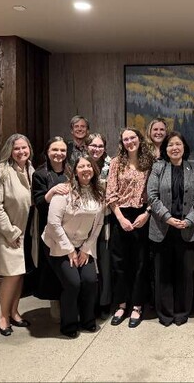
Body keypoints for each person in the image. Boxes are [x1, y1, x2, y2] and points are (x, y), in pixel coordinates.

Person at [42, 155, 105, 338]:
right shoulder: (64, 192)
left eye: (89, 166)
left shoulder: (99, 193)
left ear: (93, 170)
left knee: (90, 281)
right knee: (73, 283)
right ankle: (69, 324)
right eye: (81, 166)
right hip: (58, 243)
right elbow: (53, 223)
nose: (86, 169)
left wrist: (85, 249)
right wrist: (69, 250)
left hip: (83, 245)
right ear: (75, 171)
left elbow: (98, 224)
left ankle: (87, 320)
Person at [147, 132, 194, 326]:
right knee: (163, 273)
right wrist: (168, 218)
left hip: (187, 228)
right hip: (163, 228)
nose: (174, 148)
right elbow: (152, 196)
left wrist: (189, 220)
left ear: (184, 147)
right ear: (165, 149)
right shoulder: (158, 167)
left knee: (185, 273)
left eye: (178, 144)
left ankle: (182, 312)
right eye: (170, 144)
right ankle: (165, 313)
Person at [105, 128, 155, 328]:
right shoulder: (116, 163)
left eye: (132, 137)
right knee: (120, 263)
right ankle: (121, 304)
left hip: (142, 216)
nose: (129, 142)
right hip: (121, 215)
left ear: (139, 139)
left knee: (140, 263)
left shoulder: (149, 162)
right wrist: (120, 218)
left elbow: (154, 192)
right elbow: (110, 193)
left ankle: (137, 305)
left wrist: (147, 213)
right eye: (125, 139)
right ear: (122, 143)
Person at [0, 134, 35, 336]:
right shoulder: (0, 173)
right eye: (17, 148)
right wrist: (11, 232)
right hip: (9, 233)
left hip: (27, 231)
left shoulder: (31, 169)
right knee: (11, 275)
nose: (21, 152)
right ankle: (3, 317)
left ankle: (14, 312)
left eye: (24, 147)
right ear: (9, 150)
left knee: (20, 273)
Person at [32, 137, 69, 320]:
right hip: (49, 227)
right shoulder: (39, 174)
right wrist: (52, 191)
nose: (59, 154)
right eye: (55, 150)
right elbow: (39, 202)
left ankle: (70, 304)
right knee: (53, 267)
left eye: (62, 150)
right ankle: (55, 304)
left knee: (69, 267)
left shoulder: (71, 171)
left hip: (70, 226)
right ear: (47, 151)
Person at [85, 133, 112, 316]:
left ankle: (104, 303)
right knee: (88, 262)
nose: (97, 149)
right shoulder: (82, 164)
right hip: (85, 219)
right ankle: (89, 303)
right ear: (87, 147)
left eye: (100, 146)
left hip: (106, 219)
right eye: (93, 146)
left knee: (104, 263)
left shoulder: (111, 165)